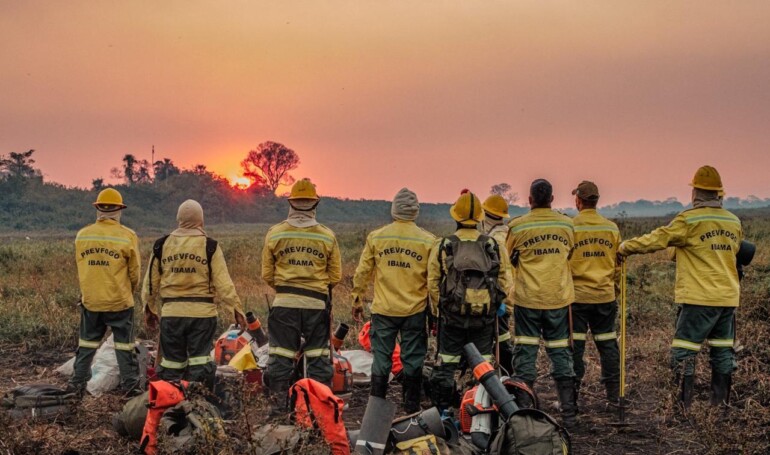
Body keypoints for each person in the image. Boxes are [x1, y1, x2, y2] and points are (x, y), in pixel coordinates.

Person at [618, 166, 742, 409]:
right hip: (728, 298)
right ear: (718, 193)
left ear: (695, 192)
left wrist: (625, 247)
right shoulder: (733, 221)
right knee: (722, 351)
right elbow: (730, 253)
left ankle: (681, 408)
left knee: (683, 351)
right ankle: (720, 408)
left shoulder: (689, 220)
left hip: (699, 298)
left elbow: (657, 238)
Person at [142, 199, 245, 389]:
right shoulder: (210, 246)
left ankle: (171, 403)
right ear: (201, 220)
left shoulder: (162, 245)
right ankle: (197, 404)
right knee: (200, 363)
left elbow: (149, 284)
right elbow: (224, 284)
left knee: (172, 364)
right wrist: (237, 310)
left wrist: (148, 309)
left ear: (178, 219)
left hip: (172, 315)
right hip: (202, 317)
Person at [351, 188, 436, 413]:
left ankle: (376, 406)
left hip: (384, 310)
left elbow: (362, 272)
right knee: (413, 359)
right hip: (414, 311)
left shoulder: (377, 237)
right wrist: (435, 312)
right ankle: (411, 408)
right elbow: (434, 281)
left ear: (393, 210)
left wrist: (357, 299)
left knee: (381, 357)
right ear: (416, 211)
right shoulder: (429, 241)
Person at [261, 179, 342, 416]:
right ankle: (320, 411)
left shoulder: (275, 233)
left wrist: (286, 289)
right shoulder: (327, 236)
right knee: (318, 358)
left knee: (280, 356)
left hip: (284, 305)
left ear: (291, 203)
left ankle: (278, 411)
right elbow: (335, 276)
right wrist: (315, 290)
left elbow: (267, 274)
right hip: (316, 306)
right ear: (315, 203)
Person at [428, 190, 511, 414]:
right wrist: (493, 306)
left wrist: (442, 310)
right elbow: (505, 281)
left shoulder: (443, 245)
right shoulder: (492, 245)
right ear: (479, 219)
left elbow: (433, 283)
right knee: (483, 367)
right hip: (484, 320)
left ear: (456, 217)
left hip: (451, 319)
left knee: (446, 364)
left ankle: (442, 414)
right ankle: (478, 412)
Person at [506, 179, 577, 428]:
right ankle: (569, 414)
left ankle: (524, 412)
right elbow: (569, 254)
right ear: (552, 199)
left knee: (525, 351)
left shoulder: (516, 227)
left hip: (527, 300)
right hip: (559, 299)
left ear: (529, 200)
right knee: (560, 352)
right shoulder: (567, 224)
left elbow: (509, 258)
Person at [70, 188, 141, 396]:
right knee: (125, 348)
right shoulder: (128, 236)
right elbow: (134, 272)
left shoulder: (82, 236)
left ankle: (75, 388)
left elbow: (82, 268)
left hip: (91, 302)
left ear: (98, 208)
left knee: (86, 346)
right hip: (120, 302)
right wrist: (128, 292)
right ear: (119, 210)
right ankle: (131, 391)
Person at [568, 181, 622, 406]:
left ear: (578, 200)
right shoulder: (611, 228)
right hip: (604, 297)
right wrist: (614, 289)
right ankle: (613, 397)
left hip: (577, 298)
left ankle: (571, 397)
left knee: (575, 347)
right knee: (608, 344)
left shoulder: (570, 227)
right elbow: (618, 265)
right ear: (597, 201)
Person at [479, 194, 516, 375]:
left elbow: (503, 274)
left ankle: (506, 376)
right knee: (503, 337)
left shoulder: (494, 240)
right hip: (508, 296)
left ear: (486, 215)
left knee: (500, 340)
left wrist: (501, 300)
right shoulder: (508, 234)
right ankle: (507, 375)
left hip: (499, 298)